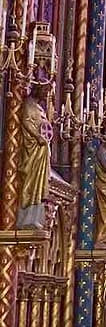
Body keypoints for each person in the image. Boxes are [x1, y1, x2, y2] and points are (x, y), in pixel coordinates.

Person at [17, 82, 53, 229]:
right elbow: (26, 122)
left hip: (41, 152)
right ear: (38, 89)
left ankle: (35, 217)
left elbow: (45, 127)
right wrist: (38, 137)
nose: (46, 95)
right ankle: (26, 218)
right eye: (44, 91)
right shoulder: (28, 104)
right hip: (32, 151)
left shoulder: (39, 107)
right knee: (30, 182)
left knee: (39, 185)